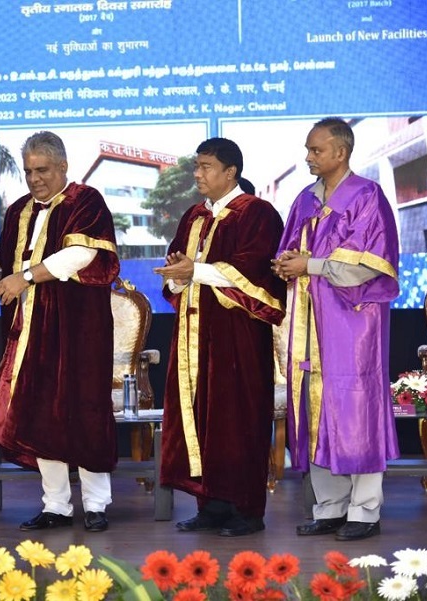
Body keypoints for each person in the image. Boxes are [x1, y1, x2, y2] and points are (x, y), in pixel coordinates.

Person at [0, 131, 120, 532]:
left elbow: (82, 254)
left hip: (79, 328)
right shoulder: (18, 210)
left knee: (86, 409)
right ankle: (56, 505)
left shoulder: (85, 201)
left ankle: (96, 504)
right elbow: (3, 261)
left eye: (42, 170)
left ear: (63, 166)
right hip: (30, 330)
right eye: (28, 171)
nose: (34, 178)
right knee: (42, 412)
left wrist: (23, 277)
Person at [272, 117, 400, 542]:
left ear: (340, 152)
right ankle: (329, 508)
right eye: (308, 150)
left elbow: (367, 266)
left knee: (356, 410)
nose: (309, 157)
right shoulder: (305, 200)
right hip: (310, 322)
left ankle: (364, 511)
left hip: (353, 323)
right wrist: (285, 264)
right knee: (317, 410)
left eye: (316, 150)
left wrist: (309, 265)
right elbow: (290, 253)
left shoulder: (367, 196)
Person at [155, 138, 286, 537]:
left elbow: (254, 272)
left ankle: (246, 510)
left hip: (237, 338)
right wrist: (179, 275)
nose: (198, 174)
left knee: (238, 420)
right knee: (201, 418)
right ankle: (210, 506)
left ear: (231, 172)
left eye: (206, 166)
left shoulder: (257, 213)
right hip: (194, 336)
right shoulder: (194, 216)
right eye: (197, 166)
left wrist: (194, 271)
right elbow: (179, 267)